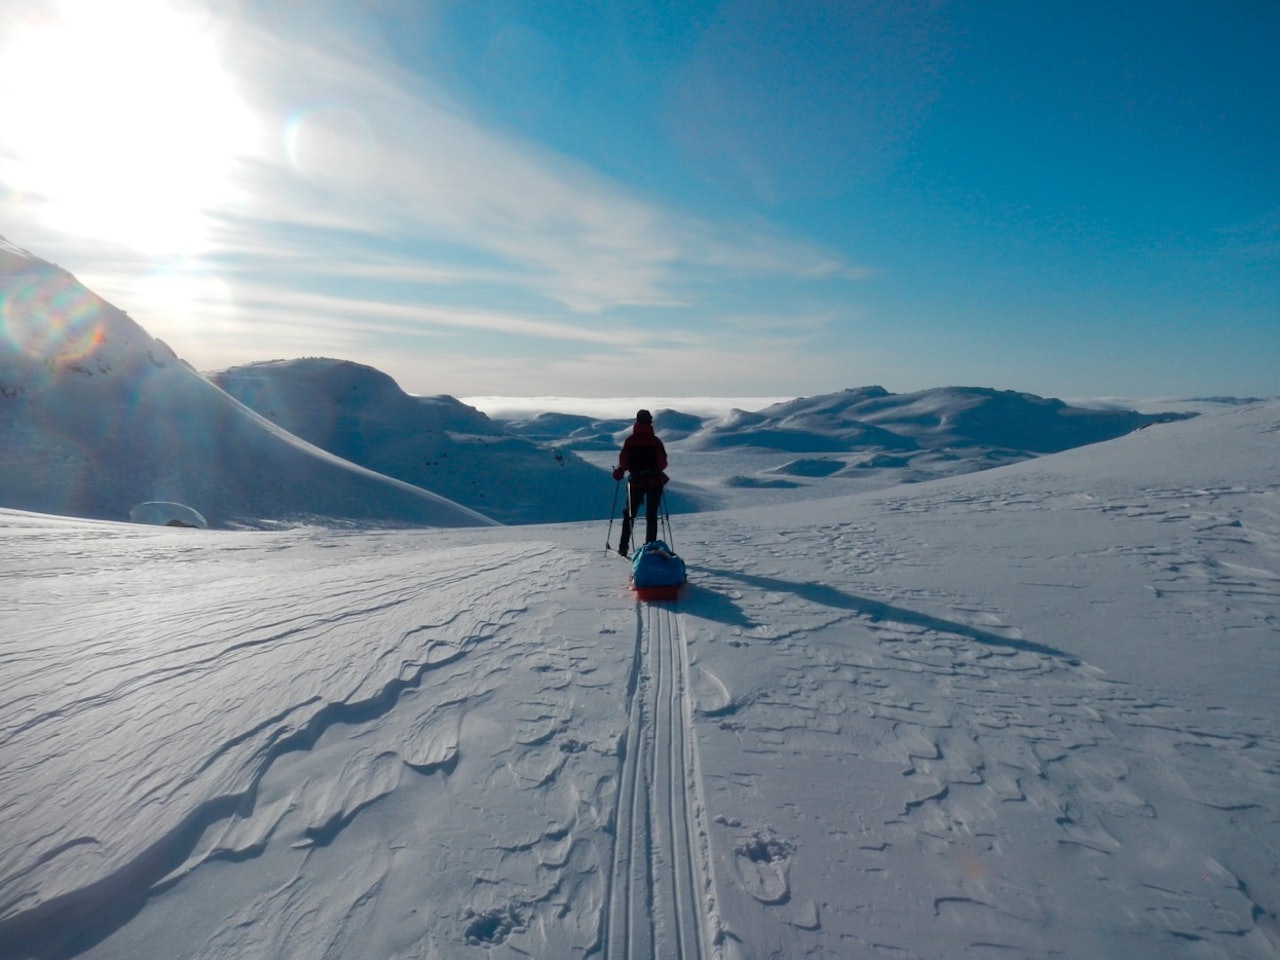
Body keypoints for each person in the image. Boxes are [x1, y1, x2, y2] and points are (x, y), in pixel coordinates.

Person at [612, 409, 668, 556]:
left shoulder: (630, 441)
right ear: (650, 422)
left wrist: (619, 472)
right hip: (654, 481)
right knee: (652, 515)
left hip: (636, 481)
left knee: (629, 514)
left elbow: (623, 463)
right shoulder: (655, 441)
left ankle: (623, 547)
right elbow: (662, 464)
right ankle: (650, 548)